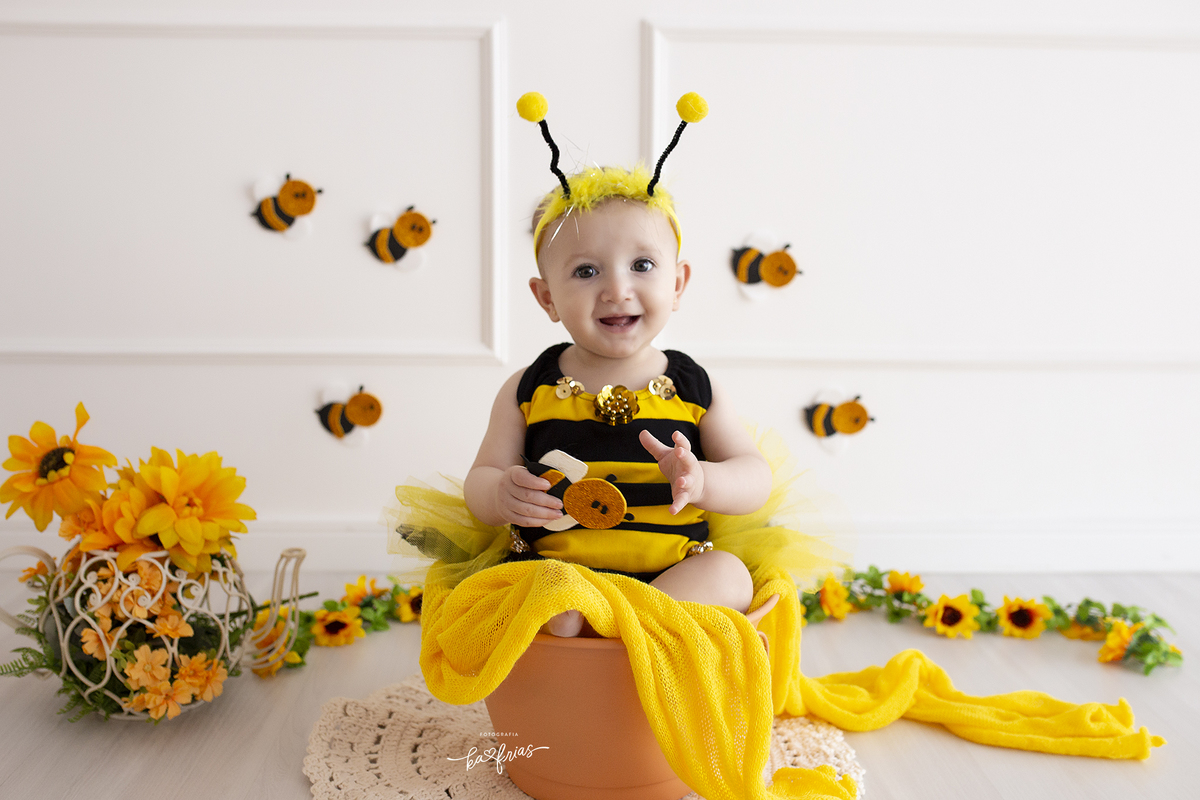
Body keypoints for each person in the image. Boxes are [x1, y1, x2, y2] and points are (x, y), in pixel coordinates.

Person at [463, 168, 779, 637]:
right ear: (547, 297)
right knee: (533, 588)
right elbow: (481, 479)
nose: (616, 290)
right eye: (586, 271)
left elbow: (756, 478)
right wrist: (499, 493)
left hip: (672, 577)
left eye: (643, 265)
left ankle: (624, 623)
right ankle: (598, 625)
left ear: (677, 284)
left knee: (729, 575)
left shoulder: (695, 388)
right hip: (562, 571)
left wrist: (703, 478)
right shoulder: (528, 388)